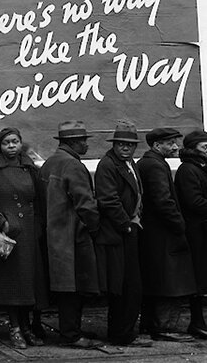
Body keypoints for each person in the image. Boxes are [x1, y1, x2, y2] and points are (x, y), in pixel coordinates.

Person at [0, 127, 48, 349]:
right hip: (7, 236)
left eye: (15, 141)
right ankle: (15, 328)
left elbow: (39, 199)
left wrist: (38, 227)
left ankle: (26, 327)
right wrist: (2, 222)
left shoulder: (29, 167)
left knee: (29, 284)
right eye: (6, 142)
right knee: (12, 285)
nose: (11, 146)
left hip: (29, 233)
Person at [38, 121, 101, 349]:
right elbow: (85, 203)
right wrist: (94, 227)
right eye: (83, 140)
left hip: (53, 234)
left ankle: (70, 330)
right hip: (73, 235)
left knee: (65, 287)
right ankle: (71, 334)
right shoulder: (72, 165)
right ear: (73, 142)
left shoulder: (49, 162)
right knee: (75, 287)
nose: (86, 144)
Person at [94, 121, 151, 347]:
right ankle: (121, 334)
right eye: (121, 144)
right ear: (114, 145)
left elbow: (136, 193)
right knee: (123, 287)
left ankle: (125, 332)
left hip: (130, 228)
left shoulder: (129, 164)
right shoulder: (108, 165)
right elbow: (107, 200)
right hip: (118, 233)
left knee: (131, 286)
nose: (126, 148)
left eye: (130, 145)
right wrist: (126, 224)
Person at [137, 128, 195, 342]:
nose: (175, 147)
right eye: (170, 143)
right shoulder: (155, 165)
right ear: (156, 145)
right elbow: (163, 200)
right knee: (169, 282)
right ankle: (164, 327)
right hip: (163, 233)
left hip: (154, 233)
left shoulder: (147, 162)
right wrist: (179, 224)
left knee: (157, 280)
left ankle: (150, 325)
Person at [174, 130, 207, 340]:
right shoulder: (188, 170)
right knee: (199, 277)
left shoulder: (201, 168)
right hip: (197, 232)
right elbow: (193, 202)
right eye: (205, 147)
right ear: (193, 148)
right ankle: (197, 322)